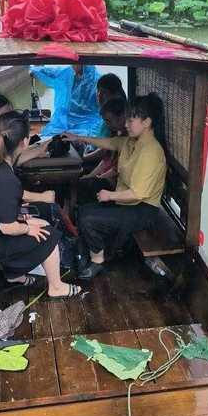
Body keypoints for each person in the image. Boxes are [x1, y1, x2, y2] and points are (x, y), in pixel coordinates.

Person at [0, 110, 81, 296]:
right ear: (24, 142)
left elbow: (1, 203)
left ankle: (14, 275)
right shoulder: (5, 177)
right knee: (48, 234)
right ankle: (56, 287)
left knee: (39, 219)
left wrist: (25, 219)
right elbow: (7, 228)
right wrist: (27, 228)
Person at [65, 93, 167, 280]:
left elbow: (138, 193)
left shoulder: (151, 152)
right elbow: (110, 143)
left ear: (146, 122)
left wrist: (110, 195)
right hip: (127, 201)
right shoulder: (132, 141)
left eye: (131, 119)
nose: (126, 124)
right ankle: (92, 245)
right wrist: (78, 137)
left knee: (88, 218)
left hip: (142, 210)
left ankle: (98, 261)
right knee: (84, 201)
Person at [29, 64, 109, 138]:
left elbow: (104, 107)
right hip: (66, 118)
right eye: (72, 64)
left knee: (86, 136)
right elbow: (51, 72)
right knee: (52, 134)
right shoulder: (68, 73)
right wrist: (34, 70)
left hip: (88, 120)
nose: (73, 66)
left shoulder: (97, 81)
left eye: (75, 64)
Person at [77, 97, 127, 204]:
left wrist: (97, 178)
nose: (107, 125)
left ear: (121, 117)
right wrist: (90, 176)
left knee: (82, 186)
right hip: (107, 178)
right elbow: (104, 162)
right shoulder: (115, 134)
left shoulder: (127, 140)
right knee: (78, 178)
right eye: (106, 121)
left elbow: (115, 171)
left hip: (116, 187)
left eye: (109, 121)